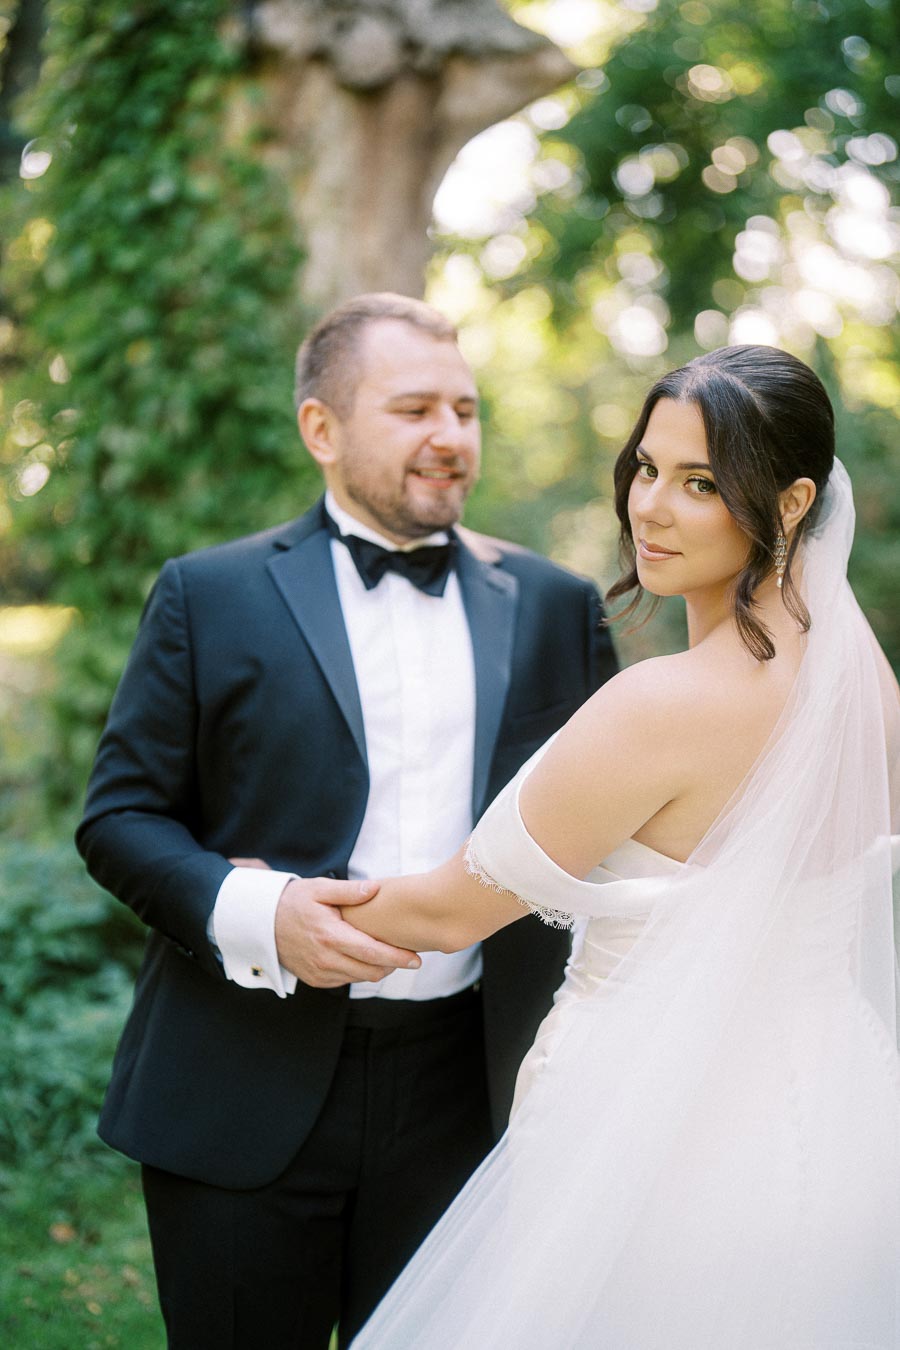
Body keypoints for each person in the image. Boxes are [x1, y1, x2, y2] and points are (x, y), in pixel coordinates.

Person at [75, 292, 618, 1348]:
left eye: (465, 409)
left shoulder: (557, 605)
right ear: (321, 429)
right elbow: (121, 817)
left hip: (472, 1094)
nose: (451, 436)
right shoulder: (207, 594)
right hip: (241, 1078)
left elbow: (601, 840)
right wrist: (259, 914)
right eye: (414, 409)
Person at [337, 345, 900, 1349]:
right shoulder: (871, 693)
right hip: (841, 1129)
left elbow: (450, 912)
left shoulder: (660, 706)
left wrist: (270, 904)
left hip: (656, 1148)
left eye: (701, 484)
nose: (651, 508)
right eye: (647, 468)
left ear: (792, 502)